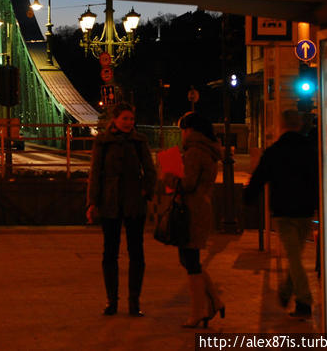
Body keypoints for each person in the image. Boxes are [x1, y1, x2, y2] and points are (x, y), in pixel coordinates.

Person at [244, 109, 318, 318]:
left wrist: (248, 198)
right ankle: (286, 292)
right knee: (296, 256)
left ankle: (304, 302)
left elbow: (259, 177)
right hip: (305, 210)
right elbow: (317, 177)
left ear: (282, 125)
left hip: (284, 210)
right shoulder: (310, 150)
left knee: (294, 257)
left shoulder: (275, 151)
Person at [87, 102, 157, 317]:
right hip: (110, 203)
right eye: (124, 118)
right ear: (115, 120)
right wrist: (92, 202)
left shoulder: (139, 141)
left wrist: (147, 191)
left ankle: (134, 302)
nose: (129, 123)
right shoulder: (103, 142)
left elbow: (150, 170)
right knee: (110, 254)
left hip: (134, 203)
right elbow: (95, 173)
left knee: (137, 253)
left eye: (131, 119)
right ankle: (112, 302)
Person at [163, 111, 225, 328]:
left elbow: (187, 183)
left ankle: (198, 312)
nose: (182, 134)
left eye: (183, 130)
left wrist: (169, 175)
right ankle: (215, 301)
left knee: (190, 262)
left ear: (190, 131)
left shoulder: (194, 152)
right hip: (200, 208)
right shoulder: (206, 149)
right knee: (190, 260)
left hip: (190, 211)